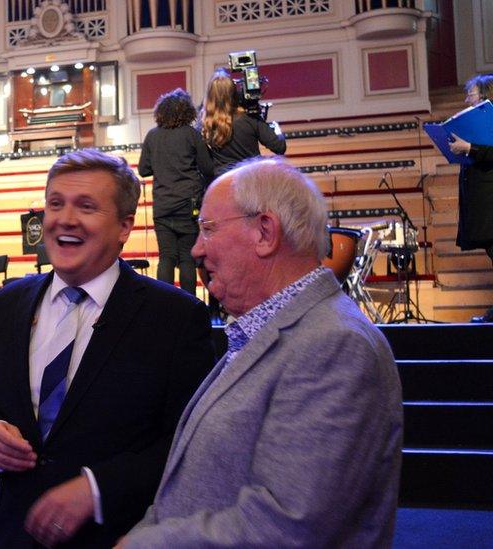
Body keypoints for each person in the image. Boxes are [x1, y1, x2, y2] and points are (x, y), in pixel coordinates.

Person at [117, 158, 403, 548]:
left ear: (265, 232)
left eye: (208, 230)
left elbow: (288, 526)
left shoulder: (334, 345)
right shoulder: (264, 331)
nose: (197, 249)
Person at [0, 149, 215, 548]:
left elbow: (189, 444)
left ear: (125, 225)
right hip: (11, 536)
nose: (65, 219)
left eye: (87, 206)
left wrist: (98, 489)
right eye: (55, 204)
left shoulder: (177, 318)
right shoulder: (10, 302)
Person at [198, 68, 287, 323]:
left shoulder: (204, 128)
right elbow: (279, 147)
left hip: (218, 199)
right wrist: (274, 127)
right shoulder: (248, 121)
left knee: (217, 254)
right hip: (250, 196)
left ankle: (217, 307)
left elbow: (204, 167)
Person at [138, 89, 214, 294]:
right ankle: (187, 308)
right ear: (187, 112)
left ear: (160, 112)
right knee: (187, 259)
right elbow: (207, 168)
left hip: (162, 207)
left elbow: (143, 170)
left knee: (166, 257)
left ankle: (165, 307)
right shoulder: (192, 134)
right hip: (187, 205)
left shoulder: (152, 136)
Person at [448, 73, 493, 323]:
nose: (467, 100)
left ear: (485, 95)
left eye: (471, 95)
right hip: (481, 199)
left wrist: (470, 148)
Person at [199, 68, 286, 175]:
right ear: (234, 92)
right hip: (250, 179)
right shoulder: (249, 117)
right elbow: (279, 147)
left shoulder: (204, 123)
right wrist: (276, 128)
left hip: (221, 183)